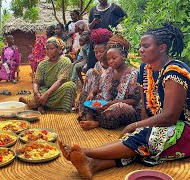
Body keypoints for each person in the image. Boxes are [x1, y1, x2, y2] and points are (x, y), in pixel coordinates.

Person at [59, 23, 189, 179]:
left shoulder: (176, 71)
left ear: (162, 48)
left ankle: (85, 151)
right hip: (156, 125)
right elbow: (145, 107)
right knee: (139, 143)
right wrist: (140, 127)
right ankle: (92, 164)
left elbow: (170, 117)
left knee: (144, 138)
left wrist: (135, 126)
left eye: (146, 46)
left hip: (182, 129)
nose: (140, 49)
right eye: (140, 46)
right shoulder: (145, 69)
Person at [79, 35, 141, 130]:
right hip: (107, 105)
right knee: (86, 97)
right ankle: (90, 118)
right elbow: (98, 85)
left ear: (123, 56)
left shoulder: (133, 74)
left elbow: (135, 101)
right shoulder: (109, 71)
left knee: (118, 108)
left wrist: (112, 103)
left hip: (124, 109)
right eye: (108, 59)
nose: (111, 61)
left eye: (114, 58)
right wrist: (92, 93)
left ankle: (97, 122)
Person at [19, 37, 77, 113]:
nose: (48, 51)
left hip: (59, 90)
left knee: (70, 86)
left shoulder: (65, 61)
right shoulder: (43, 64)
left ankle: (38, 104)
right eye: (47, 49)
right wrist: (36, 94)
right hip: (45, 89)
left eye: (52, 48)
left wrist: (46, 95)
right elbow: (36, 82)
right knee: (37, 96)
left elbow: (60, 81)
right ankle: (40, 103)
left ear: (59, 49)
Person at [77, 28, 112, 114]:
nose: (98, 54)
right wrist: (92, 93)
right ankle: (86, 108)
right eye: (96, 52)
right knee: (90, 72)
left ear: (108, 50)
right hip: (98, 95)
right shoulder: (98, 65)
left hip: (110, 98)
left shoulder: (113, 65)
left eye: (101, 51)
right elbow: (96, 83)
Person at [87, 0, 127, 76]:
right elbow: (89, 27)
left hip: (110, 41)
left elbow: (124, 17)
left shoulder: (114, 8)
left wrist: (116, 24)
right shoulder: (93, 10)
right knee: (94, 62)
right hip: (96, 41)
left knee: (110, 62)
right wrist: (94, 22)